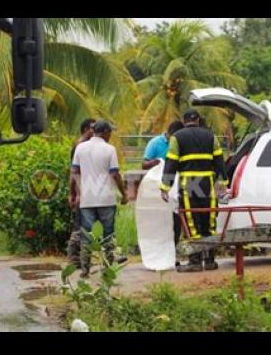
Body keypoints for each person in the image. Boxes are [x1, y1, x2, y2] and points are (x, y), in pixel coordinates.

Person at [160, 109, 228, 272]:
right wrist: (223, 183)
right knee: (209, 220)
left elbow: (171, 163)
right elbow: (219, 161)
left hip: (189, 183)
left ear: (184, 121)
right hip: (208, 183)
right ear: (198, 120)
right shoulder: (211, 136)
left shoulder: (178, 137)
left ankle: (195, 261)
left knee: (191, 220)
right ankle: (210, 260)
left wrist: (165, 187)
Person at [71, 120, 128, 278]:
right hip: (106, 199)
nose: (110, 135)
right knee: (108, 234)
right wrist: (123, 194)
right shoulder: (109, 149)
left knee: (86, 235)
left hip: (87, 199)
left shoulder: (80, 148)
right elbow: (115, 174)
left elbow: (74, 172)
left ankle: (85, 270)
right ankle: (107, 268)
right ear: (105, 132)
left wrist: (77, 192)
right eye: (110, 132)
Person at [141, 121, 185, 266]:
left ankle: (171, 255)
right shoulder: (155, 143)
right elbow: (144, 164)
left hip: (176, 188)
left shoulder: (180, 142)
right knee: (160, 224)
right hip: (159, 190)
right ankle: (159, 256)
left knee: (176, 222)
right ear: (170, 134)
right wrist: (158, 162)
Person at [67, 118, 96, 268]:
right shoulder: (80, 147)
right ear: (86, 130)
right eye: (92, 128)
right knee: (79, 227)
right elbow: (75, 173)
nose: (95, 131)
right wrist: (76, 193)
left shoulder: (86, 146)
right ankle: (74, 259)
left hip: (89, 190)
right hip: (82, 191)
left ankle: (82, 259)